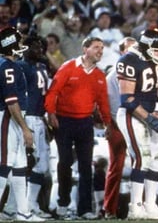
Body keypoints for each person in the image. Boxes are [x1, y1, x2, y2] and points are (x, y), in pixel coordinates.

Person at [44, 37, 113, 220]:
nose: (100, 51)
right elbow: (53, 91)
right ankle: (63, 203)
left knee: (86, 167)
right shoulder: (68, 67)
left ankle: (84, 209)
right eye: (96, 47)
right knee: (65, 163)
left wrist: (107, 124)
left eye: (102, 48)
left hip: (85, 123)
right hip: (64, 122)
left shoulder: (99, 76)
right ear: (85, 49)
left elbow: (103, 103)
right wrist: (51, 114)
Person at [115, 29, 158, 220]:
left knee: (157, 158)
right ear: (145, 47)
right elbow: (127, 99)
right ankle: (135, 207)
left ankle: (150, 205)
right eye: (155, 50)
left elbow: (154, 88)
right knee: (142, 157)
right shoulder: (128, 61)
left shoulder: (152, 60)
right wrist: (149, 118)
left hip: (147, 111)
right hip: (132, 114)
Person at [0, 27, 43, 221]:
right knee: (4, 164)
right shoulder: (8, 66)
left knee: (19, 165)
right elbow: (11, 101)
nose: (21, 45)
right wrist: (25, 128)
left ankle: (22, 212)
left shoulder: (8, 65)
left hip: (12, 117)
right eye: (18, 42)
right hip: (8, 118)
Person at [16, 35, 52, 219]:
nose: (40, 51)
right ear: (26, 48)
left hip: (40, 118)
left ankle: (31, 204)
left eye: (41, 47)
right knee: (27, 162)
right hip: (28, 117)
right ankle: (18, 206)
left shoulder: (42, 66)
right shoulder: (21, 67)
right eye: (36, 47)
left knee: (42, 165)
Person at [102, 37, 136, 219]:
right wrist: (122, 126)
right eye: (129, 49)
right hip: (119, 126)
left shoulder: (139, 70)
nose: (132, 52)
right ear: (122, 51)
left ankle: (139, 206)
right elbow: (113, 106)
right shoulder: (113, 75)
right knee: (116, 168)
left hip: (136, 123)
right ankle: (109, 209)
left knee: (141, 165)